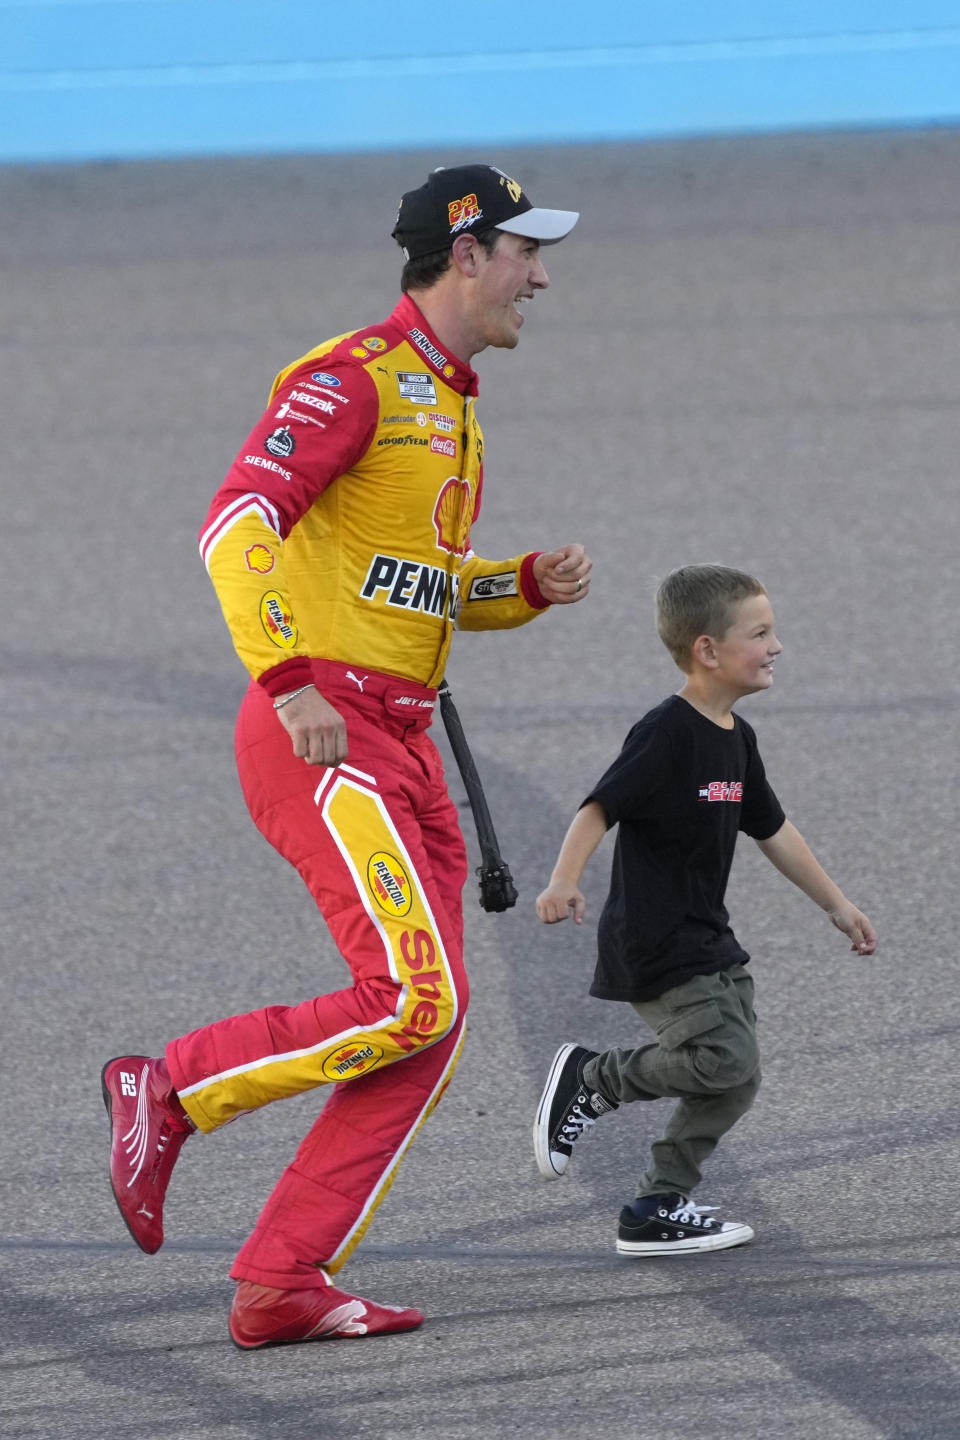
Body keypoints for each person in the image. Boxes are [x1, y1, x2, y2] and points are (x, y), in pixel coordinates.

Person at [101, 163, 591, 1346]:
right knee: (414, 993)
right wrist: (288, 678)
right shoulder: (352, 381)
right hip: (322, 729)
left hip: (404, 743)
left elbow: (401, 588)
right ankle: (168, 1086)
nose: (544, 274)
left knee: (429, 1019)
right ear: (465, 256)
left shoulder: (453, 399)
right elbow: (236, 526)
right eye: (527, 251)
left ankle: (281, 1280)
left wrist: (514, 588)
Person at [533, 564, 877, 1255]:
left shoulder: (734, 736)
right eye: (760, 633)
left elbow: (773, 829)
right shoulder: (667, 732)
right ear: (707, 650)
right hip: (655, 941)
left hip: (709, 938)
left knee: (735, 1078)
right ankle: (590, 1079)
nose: (776, 645)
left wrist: (836, 904)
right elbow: (601, 806)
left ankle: (657, 1207)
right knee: (721, 1059)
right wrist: (564, 879)